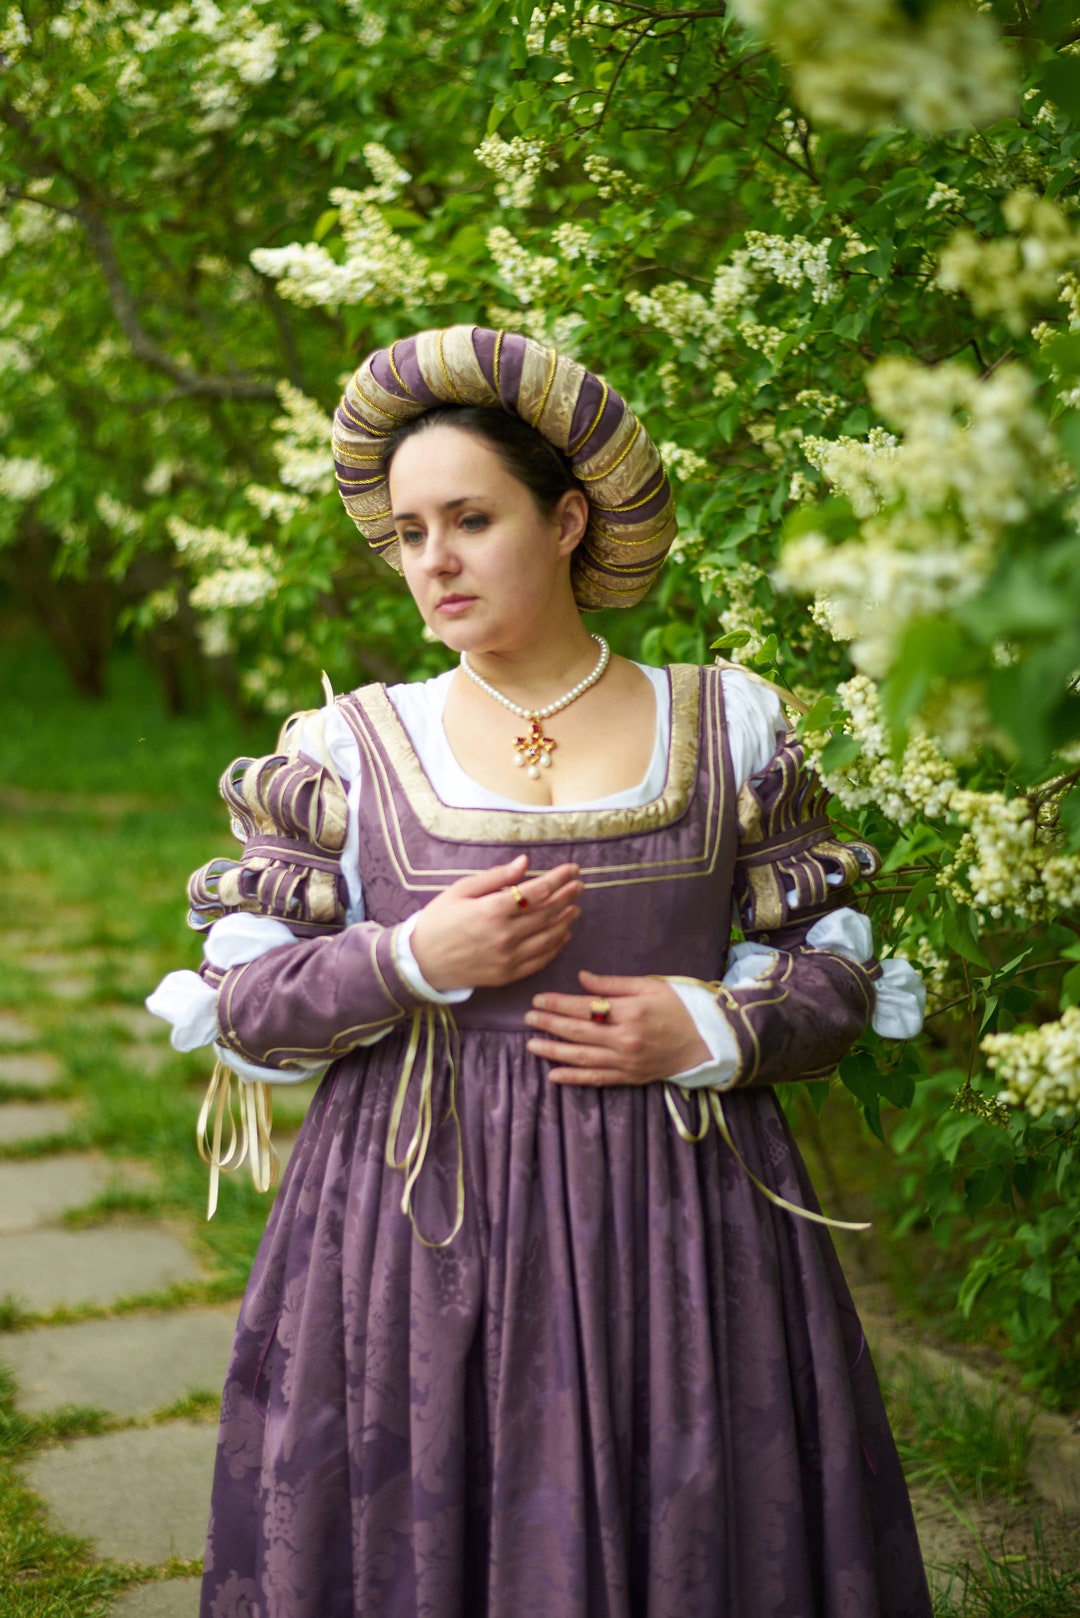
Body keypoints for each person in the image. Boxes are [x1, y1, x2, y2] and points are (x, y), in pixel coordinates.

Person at [148, 325, 932, 1618]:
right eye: (409, 532)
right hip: (415, 1237)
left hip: (676, 1232)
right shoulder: (352, 747)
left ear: (567, 518)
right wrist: (409, 957)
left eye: (470, 517)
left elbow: (836, 973)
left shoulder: (722, 720)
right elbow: (244, 1007)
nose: (434, 560)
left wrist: (709, 1025)